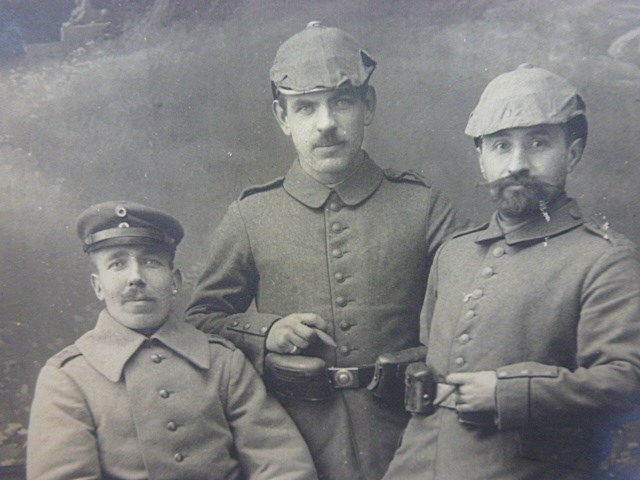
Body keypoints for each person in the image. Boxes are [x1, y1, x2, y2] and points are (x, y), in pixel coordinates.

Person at [185, 22, 465, 480]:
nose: (327, 123)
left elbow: (471, 311)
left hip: (409, 438)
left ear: (367, 106)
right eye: (306, 107)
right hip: (291, 442)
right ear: (282, 118)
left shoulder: (423, 206)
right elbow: (202, 319)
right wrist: (266, 330)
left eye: (342, 101)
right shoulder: (250, 216)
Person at [382, 64, 640, 480]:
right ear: (481, 159)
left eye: (538, 143)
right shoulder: (455, 253)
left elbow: (626, 382)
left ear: (571, 153)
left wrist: (509, 393)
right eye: (501, 146)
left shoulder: (604, 260)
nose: (517, 164)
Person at [27, 201, 317, 480]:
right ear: (98, 286)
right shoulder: (67, 378)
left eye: (151, 262)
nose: (136, 277)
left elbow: (282, 463)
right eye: (117, 264)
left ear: (175, 281)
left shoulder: (222, 362)